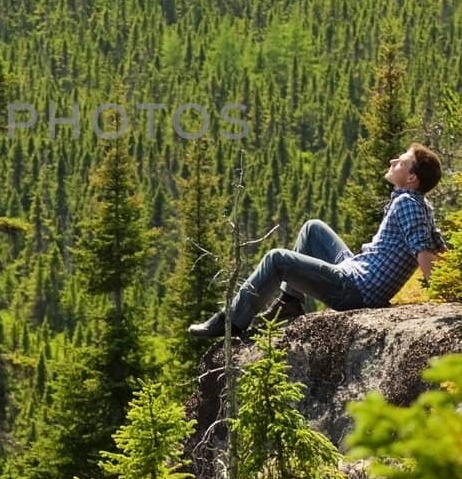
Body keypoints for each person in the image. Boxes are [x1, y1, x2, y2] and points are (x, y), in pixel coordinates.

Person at [188, 143, 444, 338]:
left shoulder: (408, 205)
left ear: (412, 178)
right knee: (313, 229)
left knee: (277, 259)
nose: (393, 160)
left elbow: (423, 248)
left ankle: (231, 321)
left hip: (357, 291)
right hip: (358, 271)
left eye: (402, 161)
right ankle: (290, 303)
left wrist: (442, 295)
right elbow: (437, 244)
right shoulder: (418, 204)